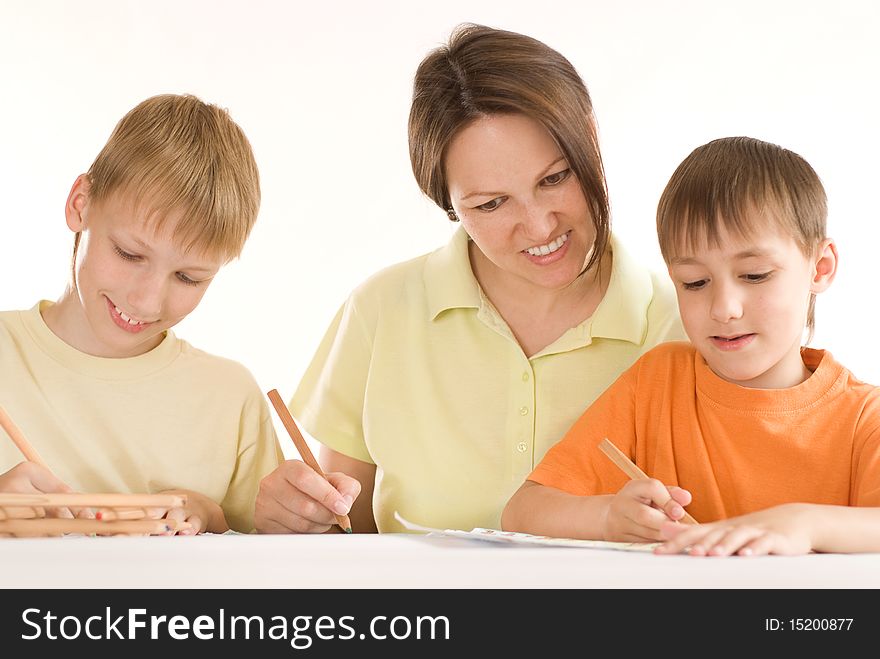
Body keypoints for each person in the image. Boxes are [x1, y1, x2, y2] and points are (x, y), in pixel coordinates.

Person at [254, 24, 685, 535]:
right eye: (492, 204)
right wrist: (300, 517)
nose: (540, 226)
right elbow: (347, 532)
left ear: (590, 138)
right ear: (448, 204)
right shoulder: (382, 310)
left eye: (555, 178)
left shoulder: (682, 326)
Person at [503, 136, 880, 556]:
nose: (724, 309)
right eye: (694, 283)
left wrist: (805, 523)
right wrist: (609, 517)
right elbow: (523, 512)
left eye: (755, 275)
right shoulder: (657, 384)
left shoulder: (865, 418)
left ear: (821, 267)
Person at [0, 94, 283, 534]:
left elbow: (271, 573)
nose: (147, 302)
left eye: (188, 278)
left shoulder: (230, 399)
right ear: (80, 204)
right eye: (130, 254)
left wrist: (214, 519)